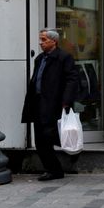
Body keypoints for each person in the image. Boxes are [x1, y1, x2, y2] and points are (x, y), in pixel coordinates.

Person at [21, 29, 79, 181]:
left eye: (44, 40)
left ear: (54, 41)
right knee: (40, 139)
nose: (41, 43)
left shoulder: (63, 57)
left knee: (50, 136)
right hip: (38, 103)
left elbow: (72, 80)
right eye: (40, 40)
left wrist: (66, 101)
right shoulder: (39, 58)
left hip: (54, 103)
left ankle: (60, 165)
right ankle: (53, 169)